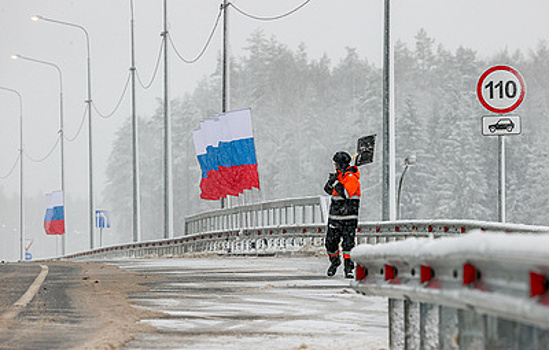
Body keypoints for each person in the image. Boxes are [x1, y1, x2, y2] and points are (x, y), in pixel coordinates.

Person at [323, 151, 361, 278]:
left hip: (349, 218)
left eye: (335, 163)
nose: (334, 165)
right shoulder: (338, 176)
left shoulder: (351, 178)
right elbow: (328, 190)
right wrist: (331, 181)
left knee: (348, 245)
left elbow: (346, 193)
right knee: (330, 243)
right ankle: (335, 262)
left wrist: (335, 183)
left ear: (340, 164)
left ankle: (349, 268)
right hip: (334, 218)